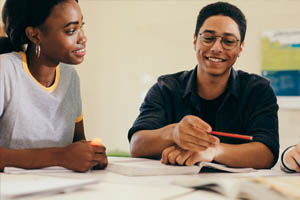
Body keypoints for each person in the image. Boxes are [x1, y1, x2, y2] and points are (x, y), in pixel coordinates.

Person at [128, 2, 279, 169]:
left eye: (228, 41)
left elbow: (267, 153)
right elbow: (137, 144)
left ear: (240, 48)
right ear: (195, 40)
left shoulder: (258, 90)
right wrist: (173, 133)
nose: (216, 48)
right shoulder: (166, 88)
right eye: (208, 38)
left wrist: (214, 151)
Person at [0, 0, 107, 172]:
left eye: (81, 25)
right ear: (35, 35)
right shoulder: (5, 70)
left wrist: (92, 155)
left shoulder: (70, 76)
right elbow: (65, 155)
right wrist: (60, 157)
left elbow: (77, 141)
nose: (82, 37)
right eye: (71, 30)